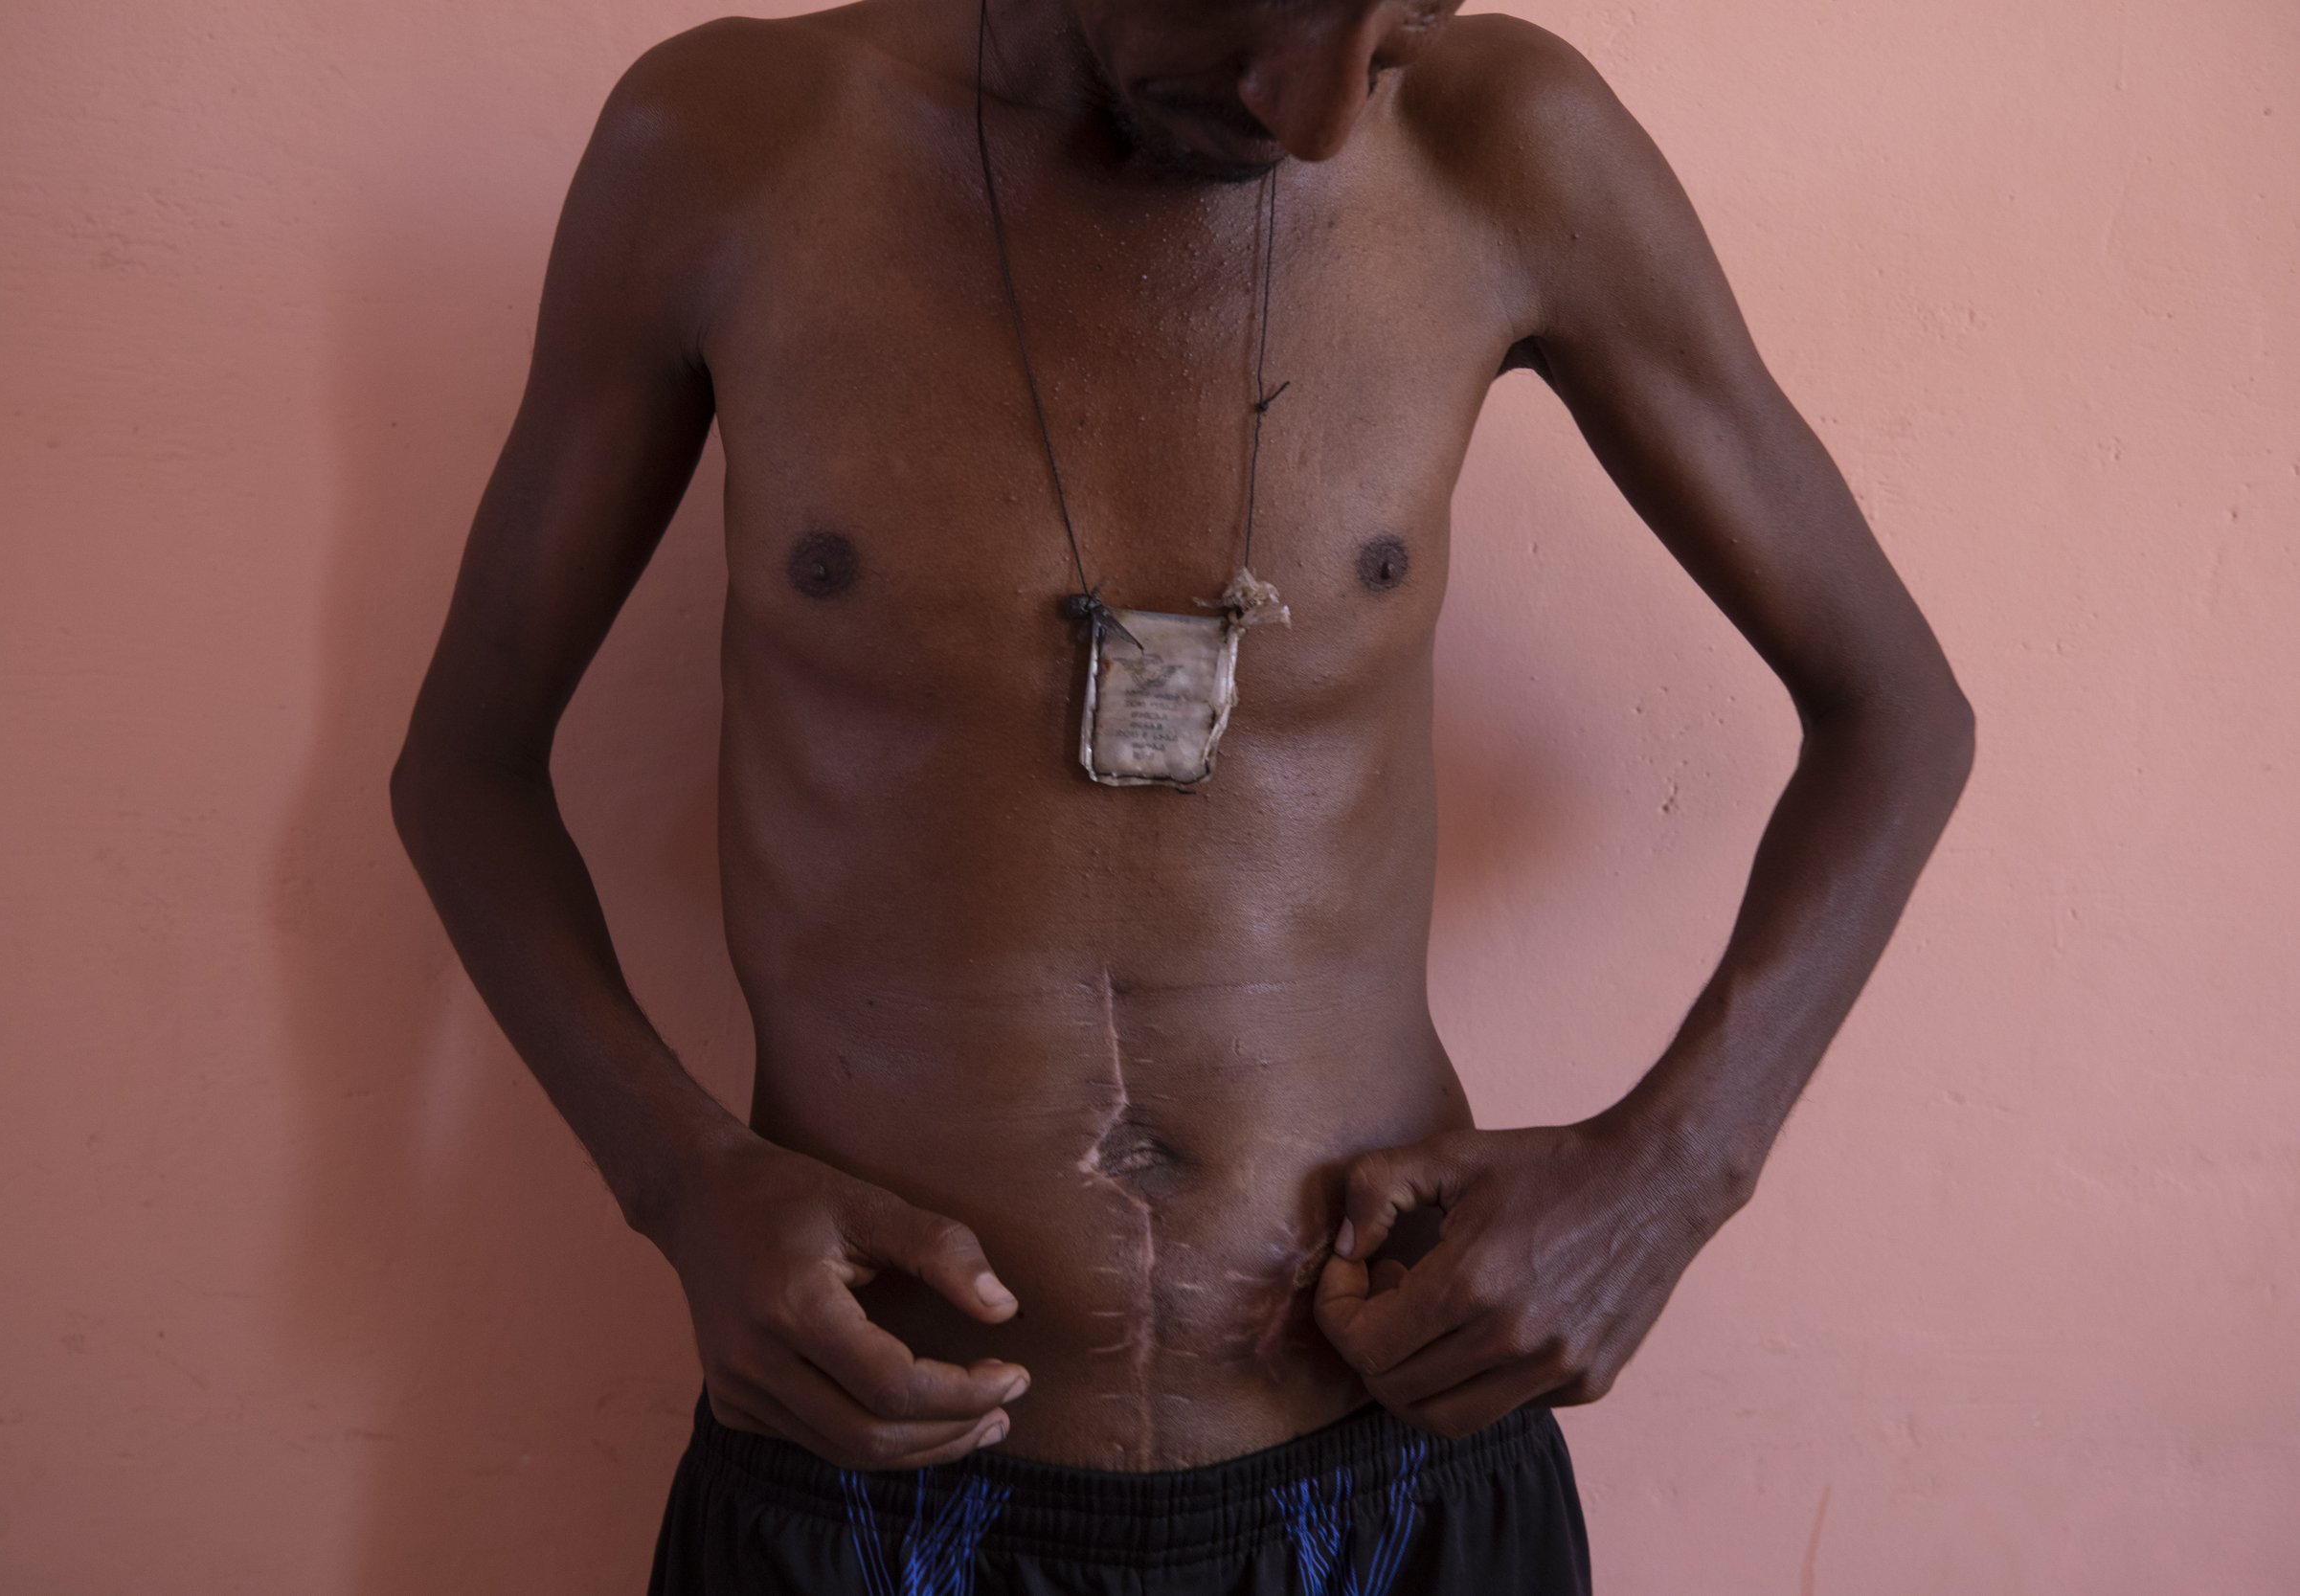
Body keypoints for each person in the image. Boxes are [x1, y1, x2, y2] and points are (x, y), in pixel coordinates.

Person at [389, 0, 1974, 1590]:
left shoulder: (1504, 146)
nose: (1322, 109)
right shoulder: (728, 146)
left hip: (1391, 1472)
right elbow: (464, 767)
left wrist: (1676, 1174)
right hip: (877, 1484)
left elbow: (1897, 709)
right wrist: (683, 1184)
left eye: (1403, 17)